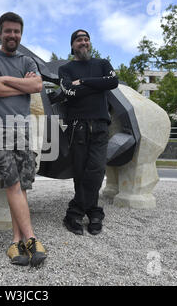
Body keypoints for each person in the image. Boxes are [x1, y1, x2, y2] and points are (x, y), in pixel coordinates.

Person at [0, 12, 47, 267]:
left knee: (21, 187)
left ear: (21, 34)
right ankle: (32, 239)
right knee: (13, 183)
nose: (12, 35)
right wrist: (19, 85)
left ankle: (15, 243)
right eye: (8, 31)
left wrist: (3, 79)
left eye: (16, 31)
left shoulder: (27, 60)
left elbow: (37, 87)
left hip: (22, 129)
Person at [58, 29, 118, 236]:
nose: (83, 42)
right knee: (81, 172)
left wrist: (84, 82)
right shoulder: (65, 68)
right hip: (77, 127)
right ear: (72, 45)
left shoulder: (102, 64)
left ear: (89, 43)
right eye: (79, 40)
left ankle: (74, 212)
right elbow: (69, 92)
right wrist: (97, 84)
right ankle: (93, 211)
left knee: (97, 169)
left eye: (86, 39)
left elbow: (112, 82)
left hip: (100, 126)